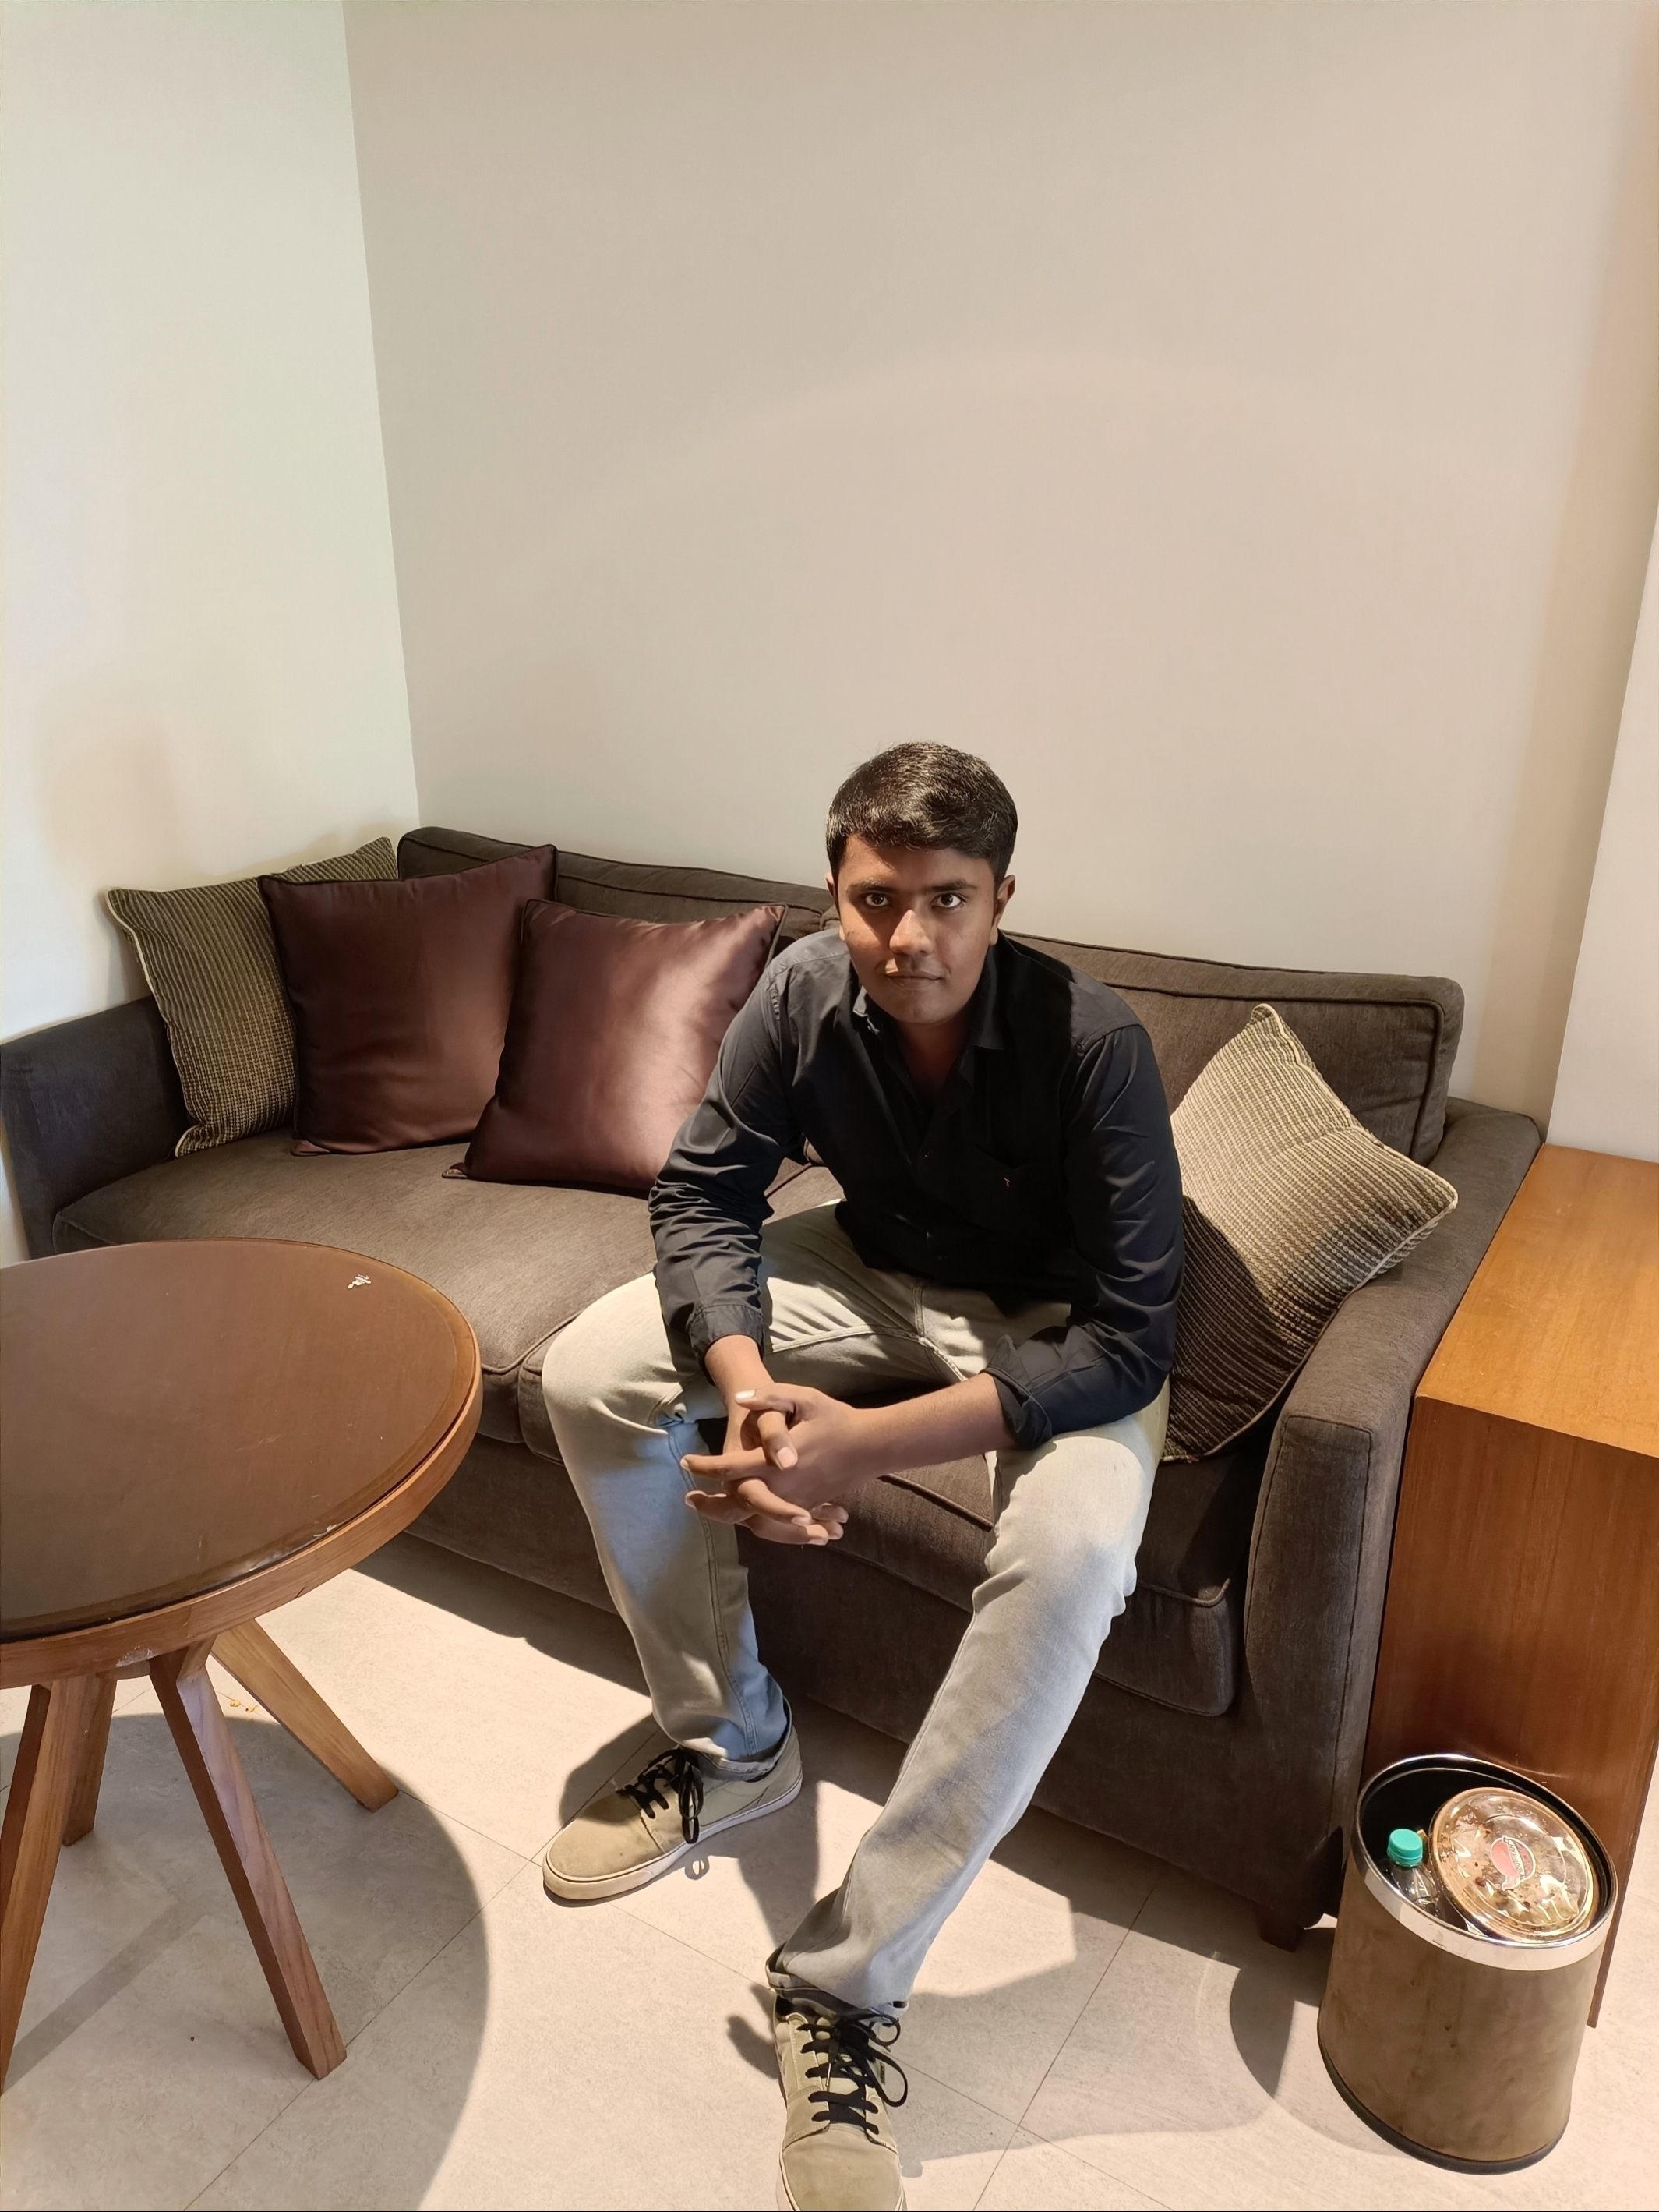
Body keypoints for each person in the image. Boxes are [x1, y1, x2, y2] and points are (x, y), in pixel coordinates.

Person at [542, 744, 1183, 2212]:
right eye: (876, 899)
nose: (909, 938)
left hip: (1054, 1324)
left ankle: (845, 1978)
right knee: (587, 1370)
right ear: (834, 894)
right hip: (868, 1267)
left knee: (1080, 1553)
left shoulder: (1096, 1043)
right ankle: (733, 1743)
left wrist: (859, 1444)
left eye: (946, 898)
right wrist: (752, 1392)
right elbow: (703, 1191)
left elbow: (1133, 1339)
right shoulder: (798, 993)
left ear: (1002, 897)